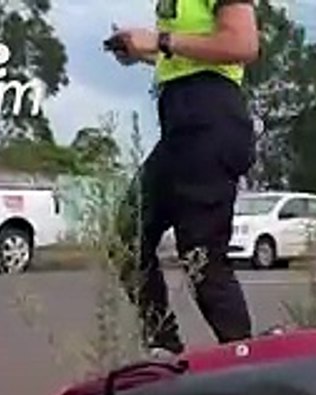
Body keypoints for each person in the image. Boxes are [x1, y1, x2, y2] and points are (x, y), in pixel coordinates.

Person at [105, 0, 260, 356]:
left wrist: (161, 41)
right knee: (128, 235)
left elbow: (242, 44)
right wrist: (142, 50)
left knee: (202, 257)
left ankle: (246, 362)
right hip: (180, 124)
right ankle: (164, 345)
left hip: (211, 120)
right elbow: (189, 56)